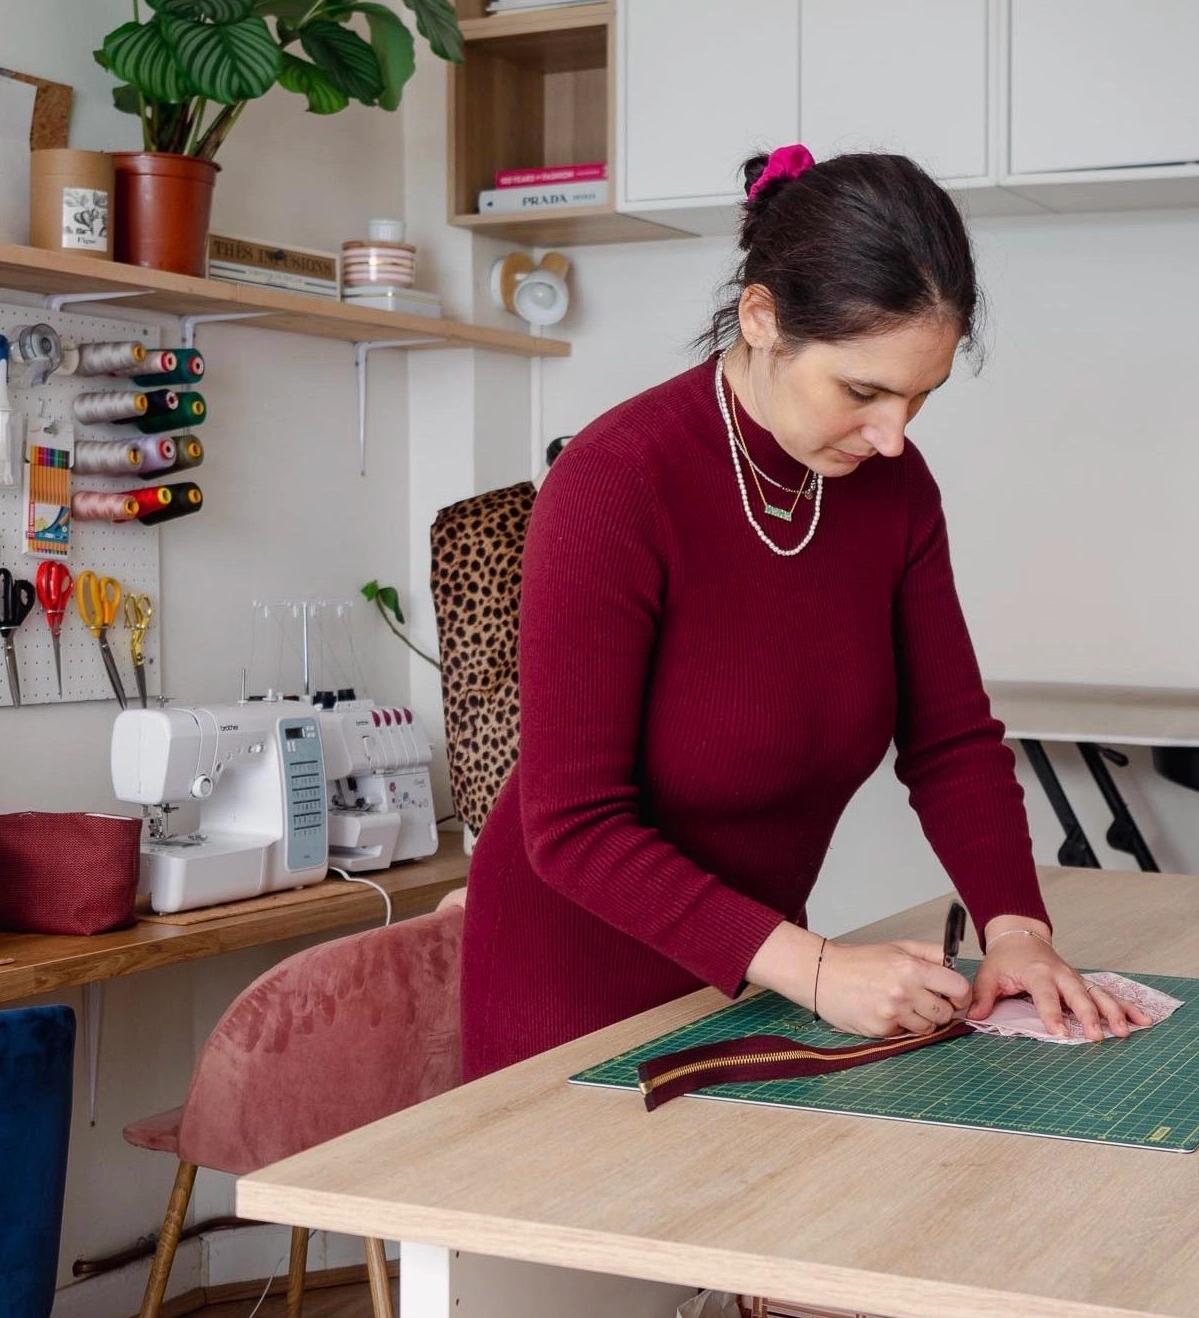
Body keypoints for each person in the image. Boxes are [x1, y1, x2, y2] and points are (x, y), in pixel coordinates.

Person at [460, 146, 1151, 1080]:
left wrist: (1015, 928)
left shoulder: (893, 492)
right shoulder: (615, 484)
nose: (892, 435)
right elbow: (573, 825)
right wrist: (816, 968)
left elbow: (948, 740)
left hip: (752, 977)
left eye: (920, 397)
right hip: (571, 995)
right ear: (761, 317)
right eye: (862, 392)